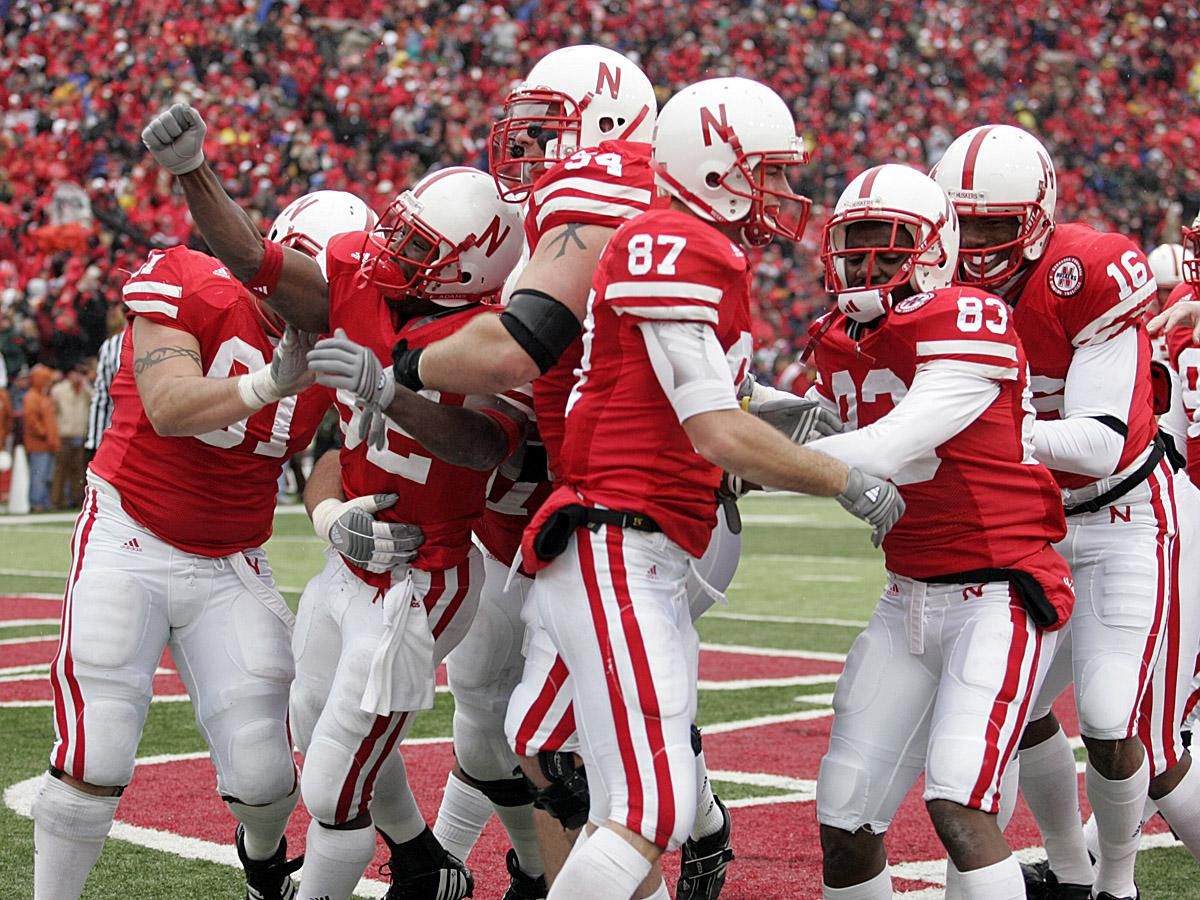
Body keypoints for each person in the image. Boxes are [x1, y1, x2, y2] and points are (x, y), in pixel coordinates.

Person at [524, 76, 902, 900]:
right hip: (621, 542)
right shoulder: (676, 241)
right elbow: (717, 432)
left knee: (640, 791)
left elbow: (723, 408)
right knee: (649, 807)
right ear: (717, 167)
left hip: (635, 545)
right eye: (766, 171)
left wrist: (817, 429)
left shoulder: (680, 243)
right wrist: (848, 482)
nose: (779, 192)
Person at [142, 103, 529, 900]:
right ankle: (423, 868)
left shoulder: (495, 335)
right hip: (349, 568)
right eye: (399, 231)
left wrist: (394, 390)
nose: (393, 251)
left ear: (470, 269)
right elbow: (253, 257)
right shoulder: (358, 280)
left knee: (332, 785)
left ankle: (378, 876)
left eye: (419, 247)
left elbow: (489, 447)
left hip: (426, 577)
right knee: (310, 729)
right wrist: (193, 171)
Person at [24, 199, 352, 899]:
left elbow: (340, 452)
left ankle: (262, 863)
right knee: (96, 746)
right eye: (318, 280)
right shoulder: (190, 282)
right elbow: (169, 406)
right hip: (129, 533)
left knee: (265, 778)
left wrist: (334, 516)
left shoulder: (343, 343)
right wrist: (270, 383)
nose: (325, 299)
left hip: (232, 557)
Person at [805, 163, 1074, 899]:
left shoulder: (967, 317)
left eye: (887, 250)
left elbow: (894, 447)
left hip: (999, 595)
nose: (865, 265)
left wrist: (743, 461)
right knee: (845, 816)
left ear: (931, 250)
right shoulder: (838, 337)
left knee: (958, 803)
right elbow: (803, 420)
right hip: (906, 596)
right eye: (854, 246)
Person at [933, 124, 1183, 900]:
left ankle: (1119, 883)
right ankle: (1071, 875)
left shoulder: (1088, 273)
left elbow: (1101, 444)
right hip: (1032, 526)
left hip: (1125, 518)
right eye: (960, 223)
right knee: (1021, 708)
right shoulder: (934, 279)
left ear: (1036, 219)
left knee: (1111, 718)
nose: (971, 246)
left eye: (993, 226)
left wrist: (984, 433)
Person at [84, 302, 127, 465]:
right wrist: (94, 442)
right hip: (122, 433)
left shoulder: (163, 340)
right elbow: (102, 398)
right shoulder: (111, 346)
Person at [50, 360, 93, 509]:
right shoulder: (59, 390)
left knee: (78, 471)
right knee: (60, 470)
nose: (79, 376)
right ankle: (57, 501)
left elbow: (96, 399)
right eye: (77, 372)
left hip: (80, 434)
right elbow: (53, 411)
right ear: (70, 373)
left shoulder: (85, 391)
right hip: (64, 434)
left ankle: (77, 500)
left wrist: (86, 385)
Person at [23, 363, 60, 512]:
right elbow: (32, 422)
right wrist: (45, 433)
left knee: (46, 476)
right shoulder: (32, 397)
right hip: (39, 444)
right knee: (38, 475)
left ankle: (44, 502)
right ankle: (36, 502)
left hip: (48, 443)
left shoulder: (43, 396)